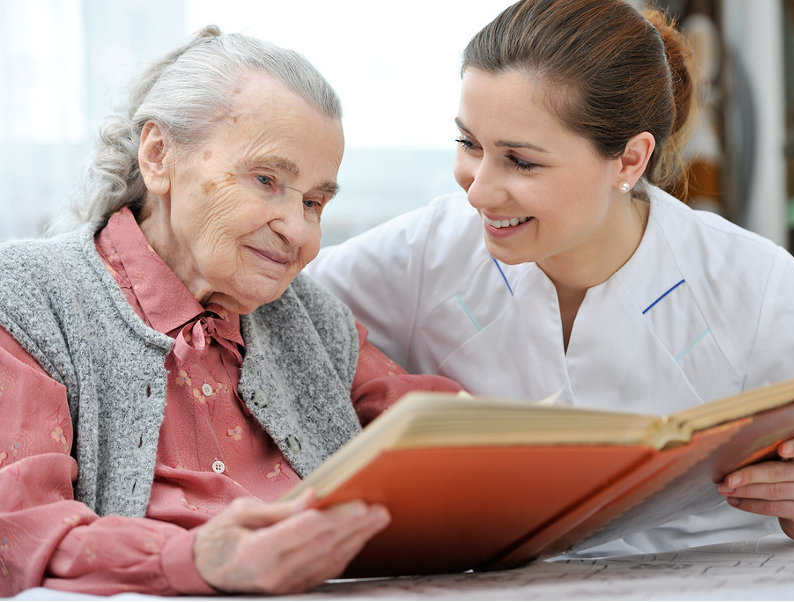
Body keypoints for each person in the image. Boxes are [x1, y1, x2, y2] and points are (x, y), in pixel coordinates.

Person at [308, 0, 794, 556]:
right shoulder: (424, 254)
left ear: (629, 160)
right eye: (468, 143)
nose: (479, 189)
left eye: (521, 160)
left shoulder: (752, 282)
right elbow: (269, 308)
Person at [0, 26, 464, 597]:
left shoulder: (309, 317)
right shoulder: (26, 296)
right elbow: (16, 532)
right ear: (159, 155)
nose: (297, 229)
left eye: (314, 202)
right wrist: (202, 558)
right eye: (267, 180)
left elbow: (441, 434)